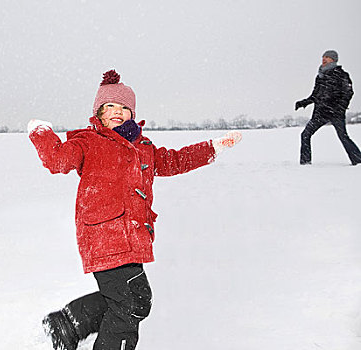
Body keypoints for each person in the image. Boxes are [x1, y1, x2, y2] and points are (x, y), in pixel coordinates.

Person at [28, 70, 242, 350]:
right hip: (104, 235)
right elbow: (57, 160)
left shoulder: (143, 147)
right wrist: (40, 132)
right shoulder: (88, 142)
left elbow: (174, 161)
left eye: (124, 107)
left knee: (131, 299)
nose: (118, 112)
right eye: (110, 107)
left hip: (133, 236)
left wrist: (212, 148)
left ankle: (67, 324)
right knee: (131, 302)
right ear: (99, 113)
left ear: (132, 112)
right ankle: (74, 327)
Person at [295, 49, 361, 165]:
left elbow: (348, 93)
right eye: (323, 57)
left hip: (336, 113)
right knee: (305, 134)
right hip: (320, 112)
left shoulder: (341, 74)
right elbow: (315, 95)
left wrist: (341, 107)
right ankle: (305, 163)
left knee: (343, 137)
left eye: (327, 57)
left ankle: (358, 160)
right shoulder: (320, 76)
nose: (323, 59)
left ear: (333, 59)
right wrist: (303, 102)